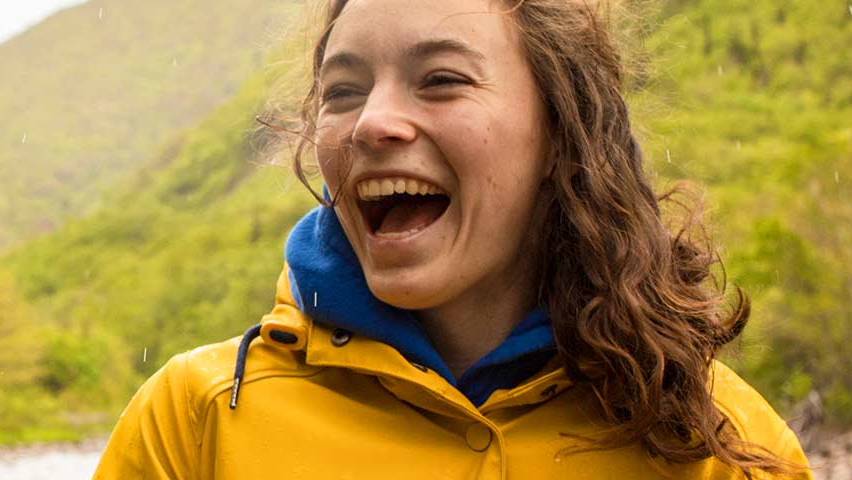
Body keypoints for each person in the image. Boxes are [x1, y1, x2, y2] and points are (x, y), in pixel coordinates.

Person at [92, 0, 812, 478]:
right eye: (343, 91)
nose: (372, 123)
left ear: (560, 130)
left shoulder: (721, 444)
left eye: (440, 79)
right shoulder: (198, 421)